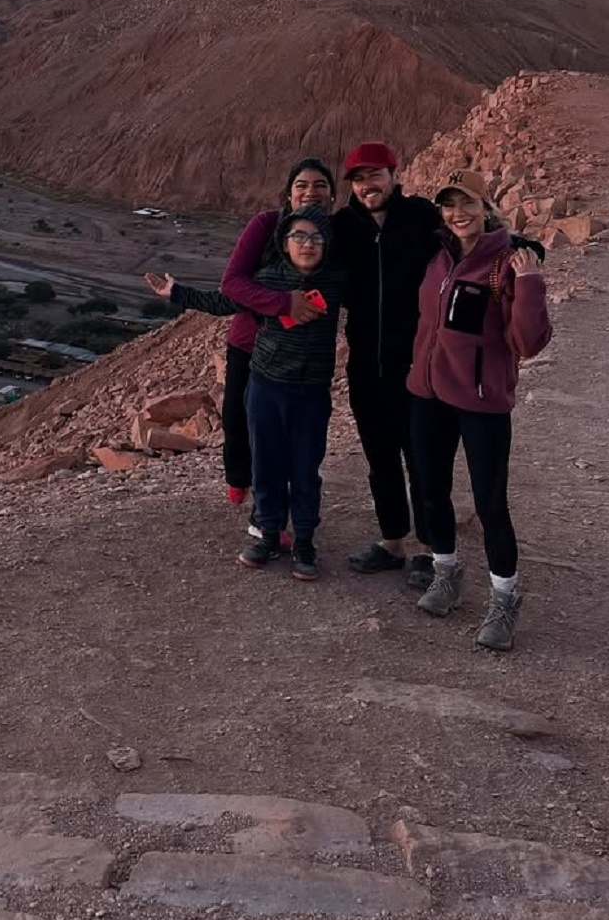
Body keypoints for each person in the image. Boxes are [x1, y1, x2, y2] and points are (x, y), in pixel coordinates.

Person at [144, 158, 335, 547]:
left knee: (291, 442)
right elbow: (232, 288)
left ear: (333, 195)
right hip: (252, 348)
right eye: (301, 184)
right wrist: (285, 303)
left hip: (306, 363)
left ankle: (278, 526)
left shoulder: (333, 238)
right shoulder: (266, 228)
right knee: (246, 428)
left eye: (319, 185)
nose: (310, 192)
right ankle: (256, 504)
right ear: (287, 192)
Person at [406, 168, 551, 651]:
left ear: (486, 208)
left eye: (467, 203)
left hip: (482, 402)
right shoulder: (437, 254)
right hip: (428, 394)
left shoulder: (508, 262)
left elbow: (528, 342)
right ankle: (446, 572)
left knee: (490, 504)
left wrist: (530, 284)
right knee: (430, 490)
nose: (458, 213)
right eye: (449, 205)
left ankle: (505, 599)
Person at [329, 142, 442, 588]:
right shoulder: (342, 227)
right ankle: (392, 542)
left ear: (394, 174)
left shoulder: (420, 216)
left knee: (422, 456)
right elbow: (297, 245)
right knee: (380, 458)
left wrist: (518, 247)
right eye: (358, 179)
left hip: (415, 364)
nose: (367, 185)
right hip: (365, 367)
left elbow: (470, 236)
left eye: (374, 175)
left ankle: (431, 550)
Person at [221, 204, 344, 581]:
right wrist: (175, 292)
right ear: (284, 242)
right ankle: (269, 533)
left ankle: (305, 539)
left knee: (305, 468)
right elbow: (225, 297)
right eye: (298, 236)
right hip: (265, 386)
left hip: (310, 393)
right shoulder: (268, 279)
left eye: (316, 237)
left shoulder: (338, 279)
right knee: (267, 464)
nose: (307, 244)